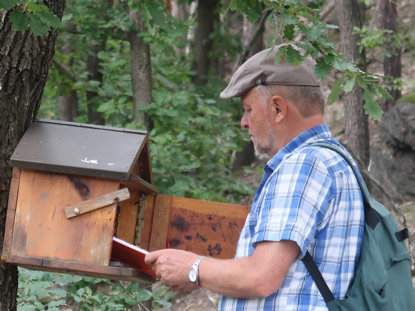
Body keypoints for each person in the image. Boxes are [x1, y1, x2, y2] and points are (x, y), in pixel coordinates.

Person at [145, 44, 365, 311]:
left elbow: (262, 277)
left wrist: (193, 267)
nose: (243, 121)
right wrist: (207, 276)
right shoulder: (334, 158)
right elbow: (290, 273)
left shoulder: (302, 166)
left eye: (248, 109)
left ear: (277, 109)